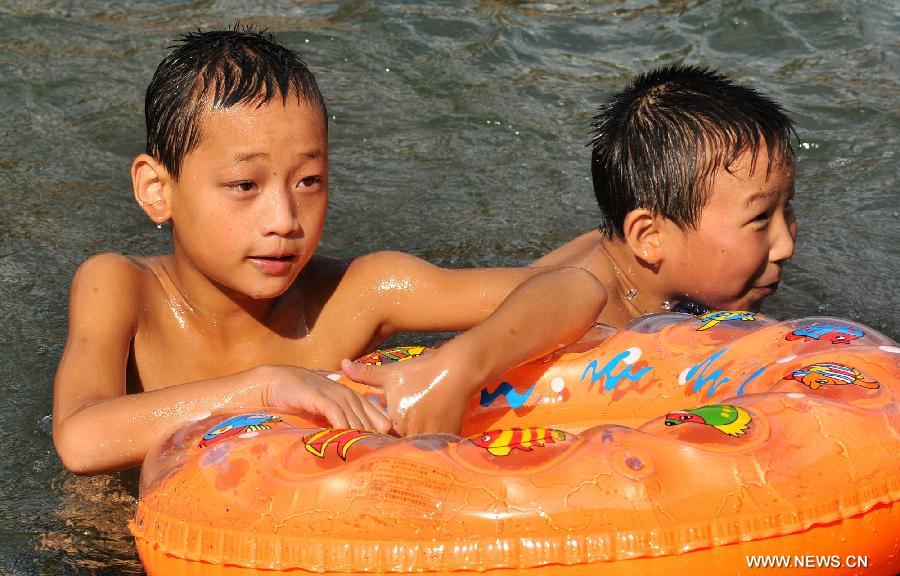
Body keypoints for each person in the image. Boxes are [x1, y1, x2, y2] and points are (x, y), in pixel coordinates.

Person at [52, 27, 605, 475]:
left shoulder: (358, 294)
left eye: (309, 181)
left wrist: (460, 364)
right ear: (157, 190)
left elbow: (577, 286)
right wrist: (263, 387)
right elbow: (80, 437)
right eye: (245, 186)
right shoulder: (119, 287)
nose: (284, 221)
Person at [534, 64, 797, 327]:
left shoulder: (649, 252)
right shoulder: (577, 318)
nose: (786, 247)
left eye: (786, 206)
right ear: (651, 237)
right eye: (760, 217)